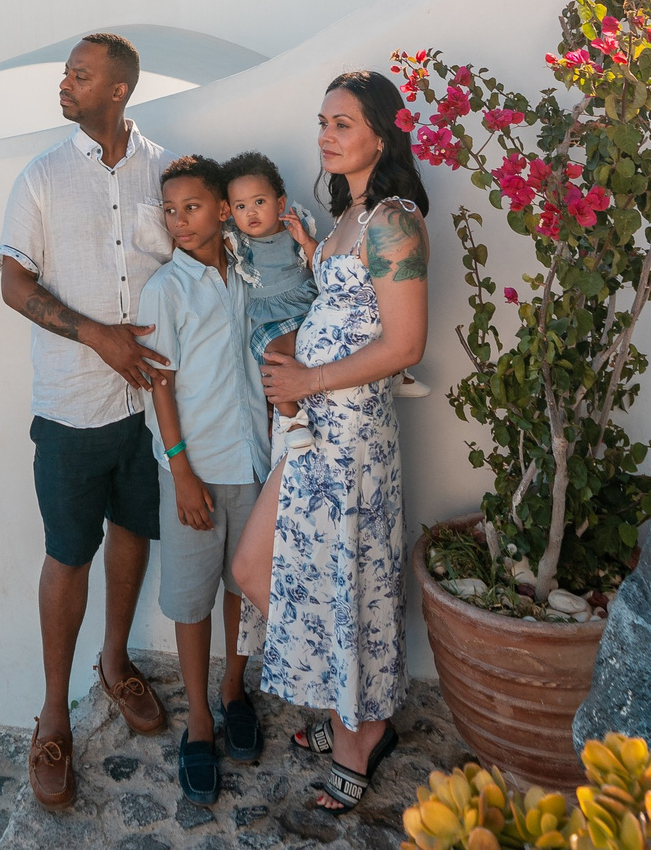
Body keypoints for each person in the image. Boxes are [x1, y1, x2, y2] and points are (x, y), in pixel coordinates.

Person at [232, 69, 430, 817]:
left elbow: (404, 342)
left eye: (343, 122)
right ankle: (348, 705)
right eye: (322, 121)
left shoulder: (394, 220)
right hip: (316, 433)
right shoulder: (350, 215)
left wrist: (307, 380)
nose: (326, 134)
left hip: (350, 435)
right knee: (260, 568)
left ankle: (360, 733)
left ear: (383, 132)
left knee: (346, 584)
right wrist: (314, 255)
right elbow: (352, 298)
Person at [0, 32, 173, 810]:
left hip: (152, 403)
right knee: (69, 552)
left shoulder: (166, 171)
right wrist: (94, 332)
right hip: (71, 406)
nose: (64, 83)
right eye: (67, 72)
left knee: (134, 531)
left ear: (119, 89)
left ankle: (116, 662)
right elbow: (10, 279)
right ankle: (52, 714)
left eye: (80, 73)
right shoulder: (41, 176)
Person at [135, 155, 274, 801]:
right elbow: (159, 384)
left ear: (223, 209)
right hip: (193, 470)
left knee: (243, 585)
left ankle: (232, 688)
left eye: (192, 206)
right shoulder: (167, 290)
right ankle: (198, 717)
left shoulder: (249, 270)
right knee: (192, 598)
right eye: (171, 209)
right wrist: (182, 470)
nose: (179, 220)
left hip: (252, 462)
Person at [221, 152, 319, 448]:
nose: (250, 212)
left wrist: (306, 241)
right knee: (273, 357)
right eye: (241, 206)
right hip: (273, 317)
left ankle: (395, 374)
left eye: (259, 202)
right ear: (229, 211)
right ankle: (292, 419)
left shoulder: (295, 227)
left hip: (309, 304)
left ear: (279, 203)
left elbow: (321, 266)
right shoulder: (238, 240)